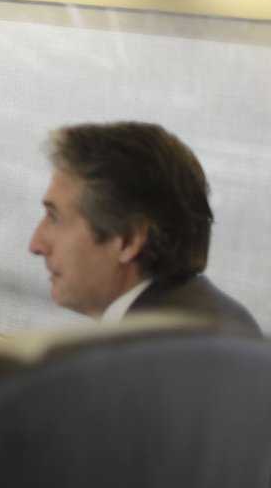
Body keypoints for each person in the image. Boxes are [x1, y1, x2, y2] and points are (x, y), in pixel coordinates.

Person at [29, 121, 259, 334]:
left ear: (128, 241)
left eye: (54, 216)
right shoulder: (230, 325)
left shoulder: (133, 359)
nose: (35, 245)